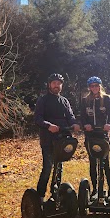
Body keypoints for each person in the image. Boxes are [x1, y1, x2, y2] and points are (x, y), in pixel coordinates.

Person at [34, 73, 80, 203]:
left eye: (59, 83)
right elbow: (37, 119)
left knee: (59, 167)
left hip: (62, 139)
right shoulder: (43, 100)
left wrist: (75, 124)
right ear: (49, 85)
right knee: (48, 167)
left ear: (61, 85)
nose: (56, 85)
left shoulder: (64, 101)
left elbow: (70, 116)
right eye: (54, 83)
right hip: (48, 140)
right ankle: (40, 196)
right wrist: (48, 126)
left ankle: (56, 193)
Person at [80, 76, 110, 200]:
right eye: (92, 86)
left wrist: (109, 124)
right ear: (89, 88)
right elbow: (82, 116)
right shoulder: (85, 100)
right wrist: (85, 125)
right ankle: (95, 189)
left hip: (102, 134)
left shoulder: (106, 99)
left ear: (100, 86)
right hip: (90, 135)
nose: (94, 87)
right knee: (93, 163)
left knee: (105, 164)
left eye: (96, 85)